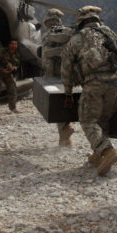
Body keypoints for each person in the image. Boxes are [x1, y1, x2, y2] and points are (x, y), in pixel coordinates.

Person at [60, 6, 117, 176]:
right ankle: (97, 154)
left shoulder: (77, 39)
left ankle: (107, 152)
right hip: (113, 85)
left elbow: (66, 68)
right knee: (103, 120)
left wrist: (68, 93)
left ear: (81, 21)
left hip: (93, 85)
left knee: (87, 120)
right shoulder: (111, 35)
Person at [41, 8, 76, 147]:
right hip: (68, 74)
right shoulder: (68, 33)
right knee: (67, 101)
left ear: (49, 22)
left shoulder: (48, 34)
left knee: (56, 105)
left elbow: (46, 55)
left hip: (53, 75)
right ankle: (65, 138)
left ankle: (65, 131)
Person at [0, 40, 20, 113]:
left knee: (12, 89)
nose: (14, 46)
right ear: (9, 45)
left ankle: (13, 108)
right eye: (12, 44)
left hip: (8, 73)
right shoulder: (2, 52)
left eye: (15, 44)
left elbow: (17, 64)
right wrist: (2, 70)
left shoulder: (17, 54)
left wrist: (13, 68)